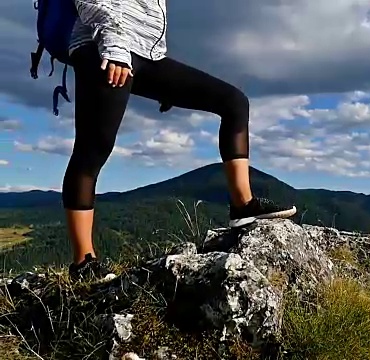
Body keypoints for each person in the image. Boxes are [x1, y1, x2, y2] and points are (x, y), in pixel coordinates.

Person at [64, 0, 297, 280]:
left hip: (147, 54)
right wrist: (114, 47)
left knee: (234, 102)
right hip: (103, 48)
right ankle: (83, 263)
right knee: (93, 149)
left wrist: (165, 85)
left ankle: (243, 206)